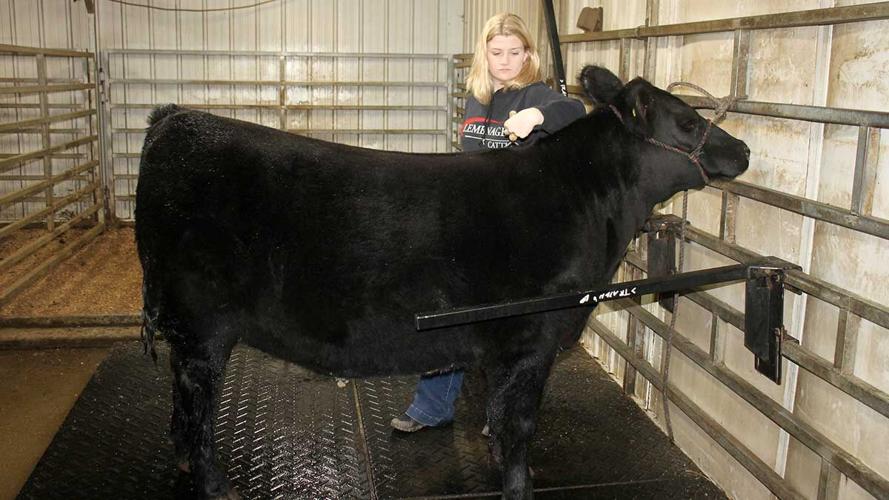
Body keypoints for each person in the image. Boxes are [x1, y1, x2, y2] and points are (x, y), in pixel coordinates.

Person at [390, 12, 586, 433]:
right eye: (497, 52)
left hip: (516, 231)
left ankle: (500, 414)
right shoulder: (476, 96)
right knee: (451, 315)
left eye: (515, 52)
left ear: (528, 54)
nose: (505, 60)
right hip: (470, 223)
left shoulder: (536, 92)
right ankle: (432, 406)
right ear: (485, 53)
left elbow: (576, 108)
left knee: (508, 326)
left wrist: (537, 116)